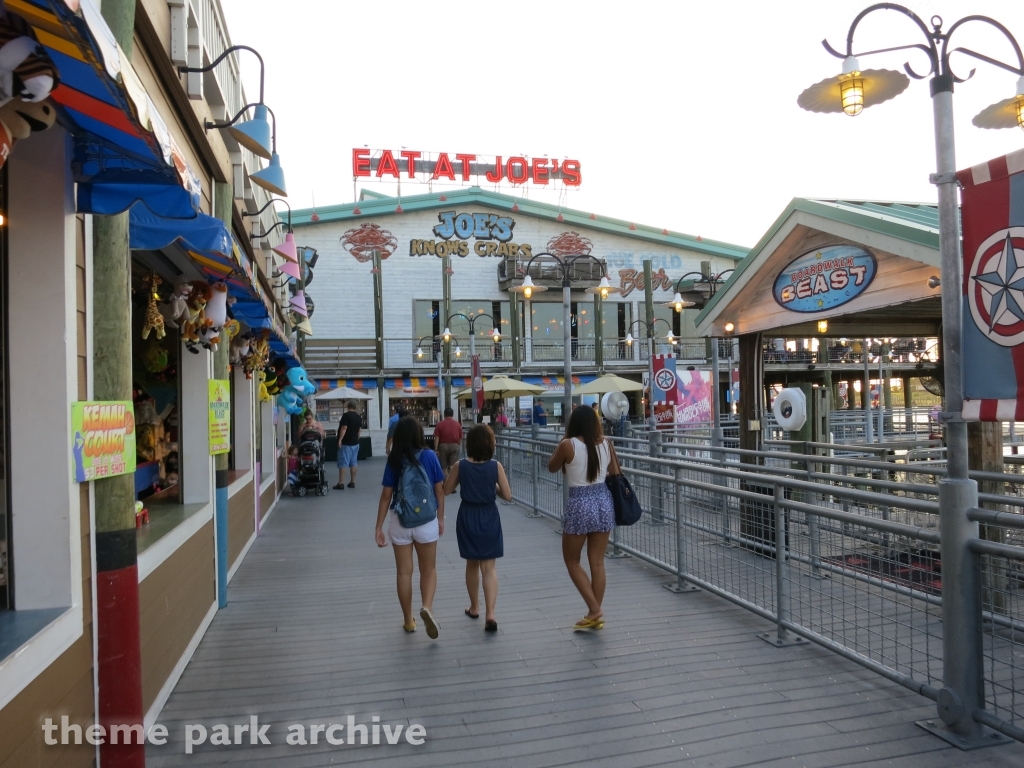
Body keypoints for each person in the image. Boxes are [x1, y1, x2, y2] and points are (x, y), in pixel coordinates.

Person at [375, 417, 445, 638]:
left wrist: (378, 527)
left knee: (404, 573)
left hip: (401, 520)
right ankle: (427, 607)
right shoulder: (430, 456)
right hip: (426, 520)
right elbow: (440, 491)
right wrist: (440, 518)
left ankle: (408, 621)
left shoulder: (394, 459)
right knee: (429, 569)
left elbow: (386, 496)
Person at [546, 405, 614, 630]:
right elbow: (615, 473)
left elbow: (552, 467)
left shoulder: (568, 445)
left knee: (572, 561)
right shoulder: (606, 443)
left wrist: (563, 442)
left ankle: (595, 610)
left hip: (580, 504)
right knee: (598, 562)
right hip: (603, 501)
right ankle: (594, 615)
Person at [443, 425, 512, 633]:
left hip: (468, 515)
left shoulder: (460, 466)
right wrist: (493, 486)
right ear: (490, 444)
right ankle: (490, 613)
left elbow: (447, 490)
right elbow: (507, 496)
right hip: (489, 515)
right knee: (489, 568)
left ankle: (474, 607)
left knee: (472, 564)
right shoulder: (495, 466)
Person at [335, 401, 362, 489]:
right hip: (355, 443)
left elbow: (344, 427)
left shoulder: (346, 415)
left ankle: (341, 483)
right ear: (355, 407)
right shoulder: (358, 417)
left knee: (343, 462)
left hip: (346, 443)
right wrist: (357, 439)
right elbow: (359, 430)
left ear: (348, 406)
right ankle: (352, 481)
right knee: (354, 462)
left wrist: (340, 439)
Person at [433, 407, 463, 476]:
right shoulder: (457, 424)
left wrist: (436, 449)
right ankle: (452, 484)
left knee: (444, 467)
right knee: (453, 466)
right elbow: (460, 437)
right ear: (452, 415)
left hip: (442, 446)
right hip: (455, 445)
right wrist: (458, 445)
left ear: (444, 414)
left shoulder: (439, 424)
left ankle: (446, 484)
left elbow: (437, 438)